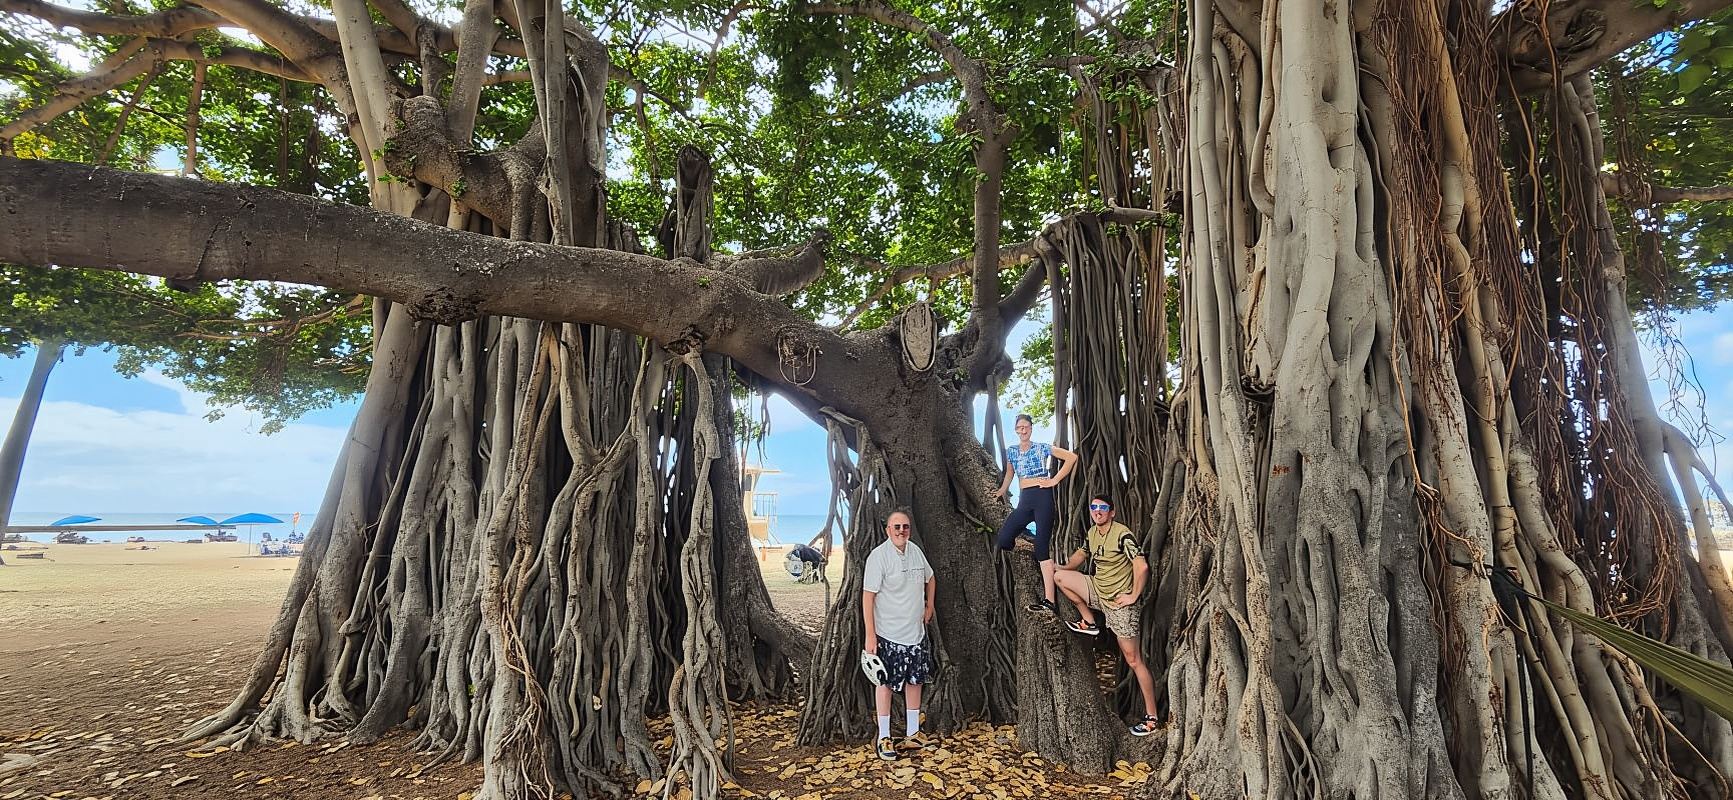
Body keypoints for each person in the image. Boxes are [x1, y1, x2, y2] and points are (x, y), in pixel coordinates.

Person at [1053, 493, 1161, 736]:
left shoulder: (1122, 534)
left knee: (1133, 660)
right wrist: (1060, 567)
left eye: (1102, 508)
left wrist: (1133, 595)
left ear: (1112, 512)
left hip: (1120, 603)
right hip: (1097, 591)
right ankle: (1089, 621)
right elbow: (1080, 557)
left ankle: (1152, 717)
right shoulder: (1092, 534)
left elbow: (1141, 566)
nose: (1097, 511)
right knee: (1060, 578)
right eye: (1093, 507)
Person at [862, 509, 936, 760]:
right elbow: (868, 596)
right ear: (888, 530)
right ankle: (884, 736)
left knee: (915, 681)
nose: (901, 531)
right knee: (885, 684)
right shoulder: (878, 557)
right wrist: (870, 635)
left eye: (905, 526)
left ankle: (912, 733)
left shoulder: (915, 551)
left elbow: (931, 577)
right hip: (888, 633)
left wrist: (930, 605)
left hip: (915, 632)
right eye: (896, 527)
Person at [992, 413, 1078, 614]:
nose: (1023, 431)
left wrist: (1054, 480)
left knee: (1042, 550)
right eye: (1019, 428)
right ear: (1016, 430)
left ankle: (1050, 601)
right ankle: (1030, 539)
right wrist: (1001, 491)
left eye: (1026, 427)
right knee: (1004, 539)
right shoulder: (1011, 451)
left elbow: (1071, 457)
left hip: (1043, 498)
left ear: (1031, 428)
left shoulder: (1041, 447)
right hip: (1025, 501)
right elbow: (1010, 474)